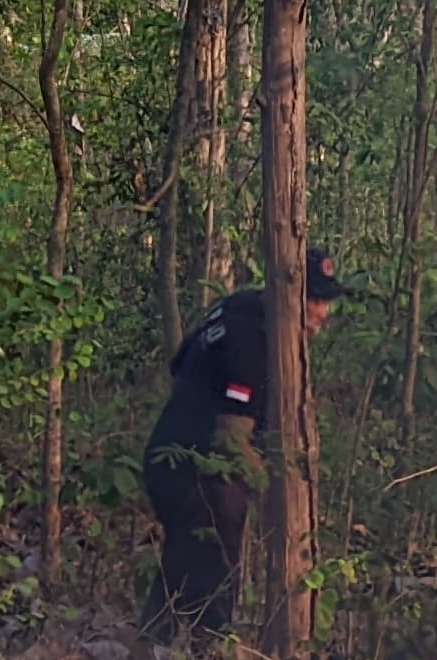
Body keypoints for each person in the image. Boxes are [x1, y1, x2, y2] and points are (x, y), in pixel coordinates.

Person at [144, 249, 341, 634]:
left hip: (169, 452)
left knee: (185, 559)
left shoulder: (241, 306)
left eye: (326, 301)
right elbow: (230, 438)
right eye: (315, 301)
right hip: (195, 465)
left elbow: (180, 364)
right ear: (289, 295)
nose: (323, 313)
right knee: (213, 563)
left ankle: (154, 649)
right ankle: (205, 659)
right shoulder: (253, 340)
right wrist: (277, 492)